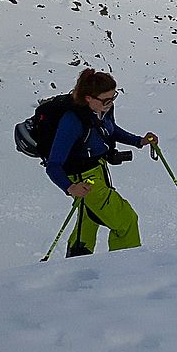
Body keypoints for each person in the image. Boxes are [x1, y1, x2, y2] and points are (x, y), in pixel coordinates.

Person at [45, 68, 158, 257]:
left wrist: (139, 141)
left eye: (114, 98)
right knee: (126, 220)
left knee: (88, 220)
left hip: (97, 171)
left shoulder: (103, 109)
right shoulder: (72, 121)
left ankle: (77, 262)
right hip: (83, 179)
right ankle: (125, 267)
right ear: (89, 98)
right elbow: (53, 165)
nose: (110, 104)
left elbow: (110, 130)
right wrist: (70, 187)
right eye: (106, 100)